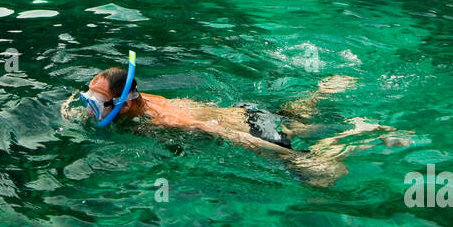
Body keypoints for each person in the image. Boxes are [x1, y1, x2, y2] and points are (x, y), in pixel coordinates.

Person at [63, 53, 411, 187]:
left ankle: (358, 131)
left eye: (98, 101)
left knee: (320, 178)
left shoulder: (165, 119)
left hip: (245, 126)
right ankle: (324, 91)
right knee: (294, 120)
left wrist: (292, 160)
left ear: (124, 105)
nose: (90, 106)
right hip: (247, 110)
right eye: (88, 96)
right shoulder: (138, 98)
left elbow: (218, 131)